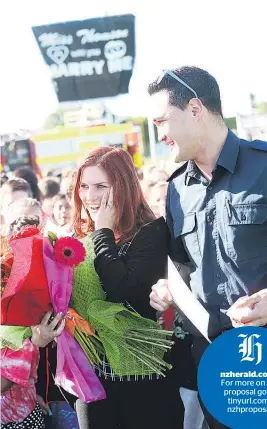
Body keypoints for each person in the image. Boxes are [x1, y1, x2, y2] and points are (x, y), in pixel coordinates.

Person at [147, 66, 267, 429]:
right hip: (219, 365)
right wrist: (166, 288)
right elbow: (182, 265)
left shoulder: (263, 166)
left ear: (196, 109)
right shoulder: (177, 189)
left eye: (162, 121)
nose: (160, 134)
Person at [72, 146, 185, 429]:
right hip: (93, 379)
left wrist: (103, 233)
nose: (90, 196)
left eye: (100, 186)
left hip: (141, 379)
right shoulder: (78, 238)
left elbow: (122, 290)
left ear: (122, 186)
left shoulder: (151, 232)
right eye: (84, 186)